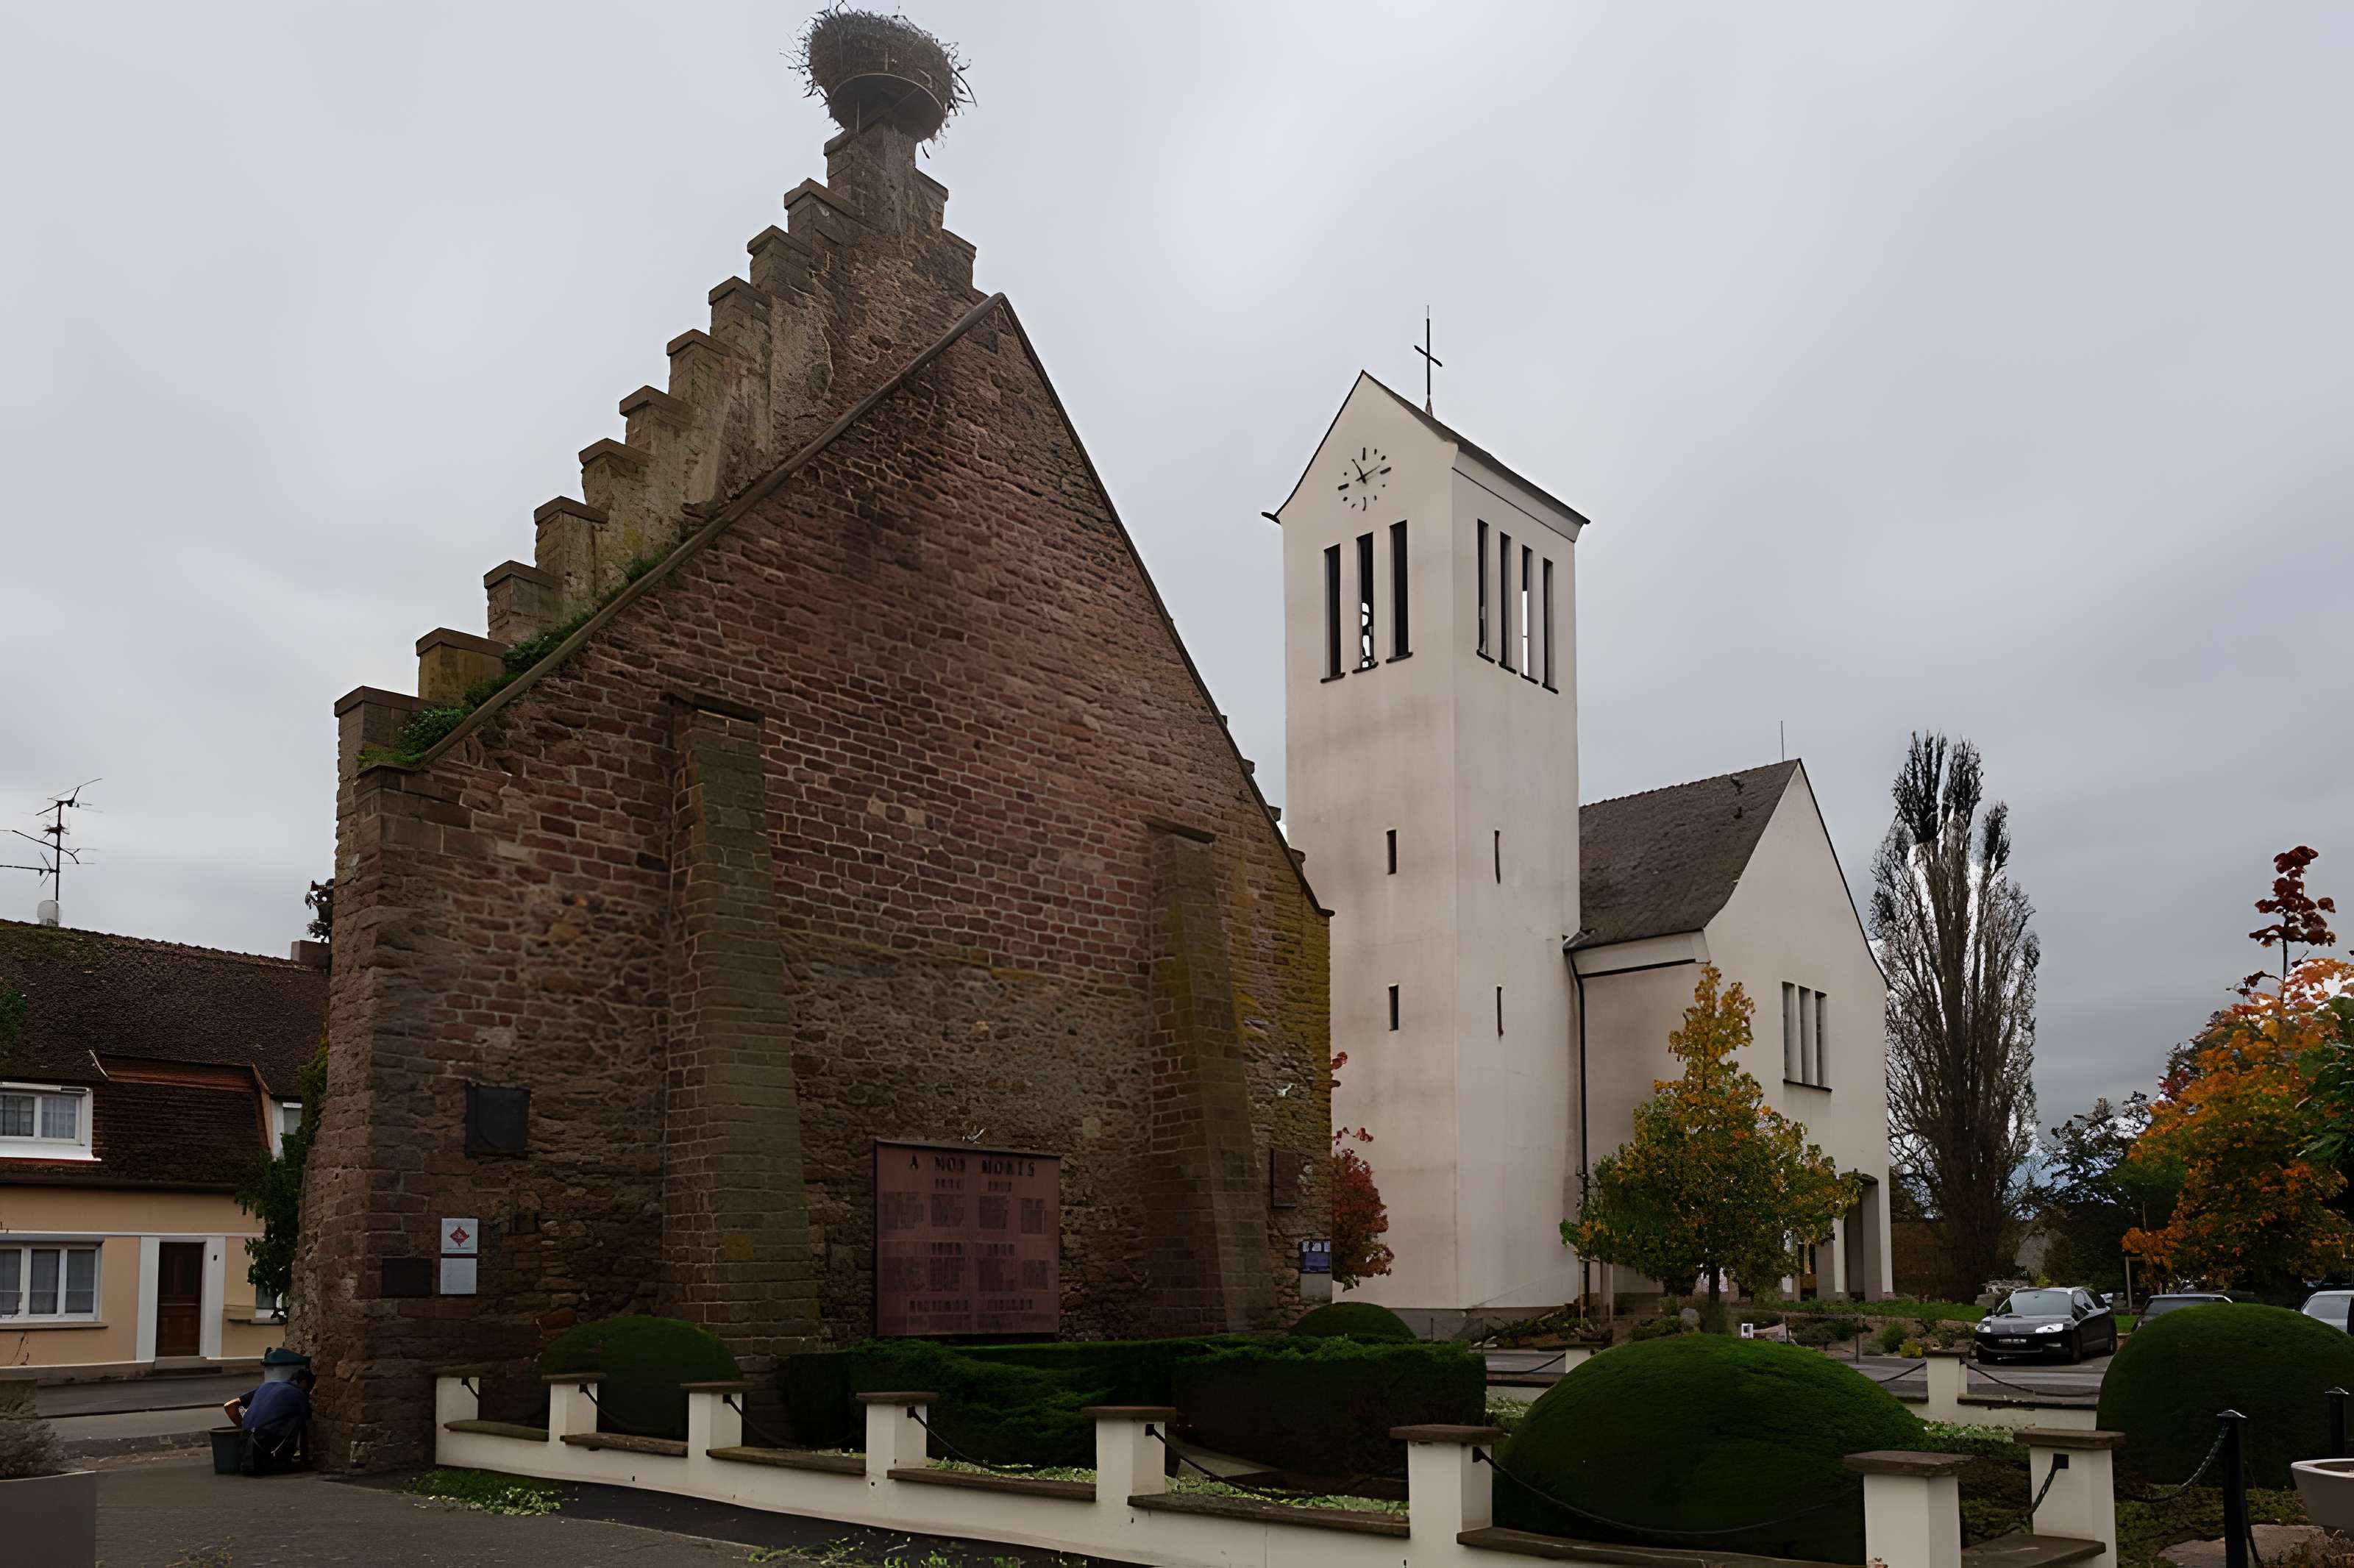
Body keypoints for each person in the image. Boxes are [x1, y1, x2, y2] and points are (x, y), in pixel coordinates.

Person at [223, 1366, 313, 1474]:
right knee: (295, 1420)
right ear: (304, 1384)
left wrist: (244, 1428)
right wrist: (305, 1461)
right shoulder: (299, 1395)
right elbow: (304, 1429)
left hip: (245, 1443)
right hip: (265, 1446)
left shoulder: (266, 1386)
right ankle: (280, 1461)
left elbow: (230, 1406)